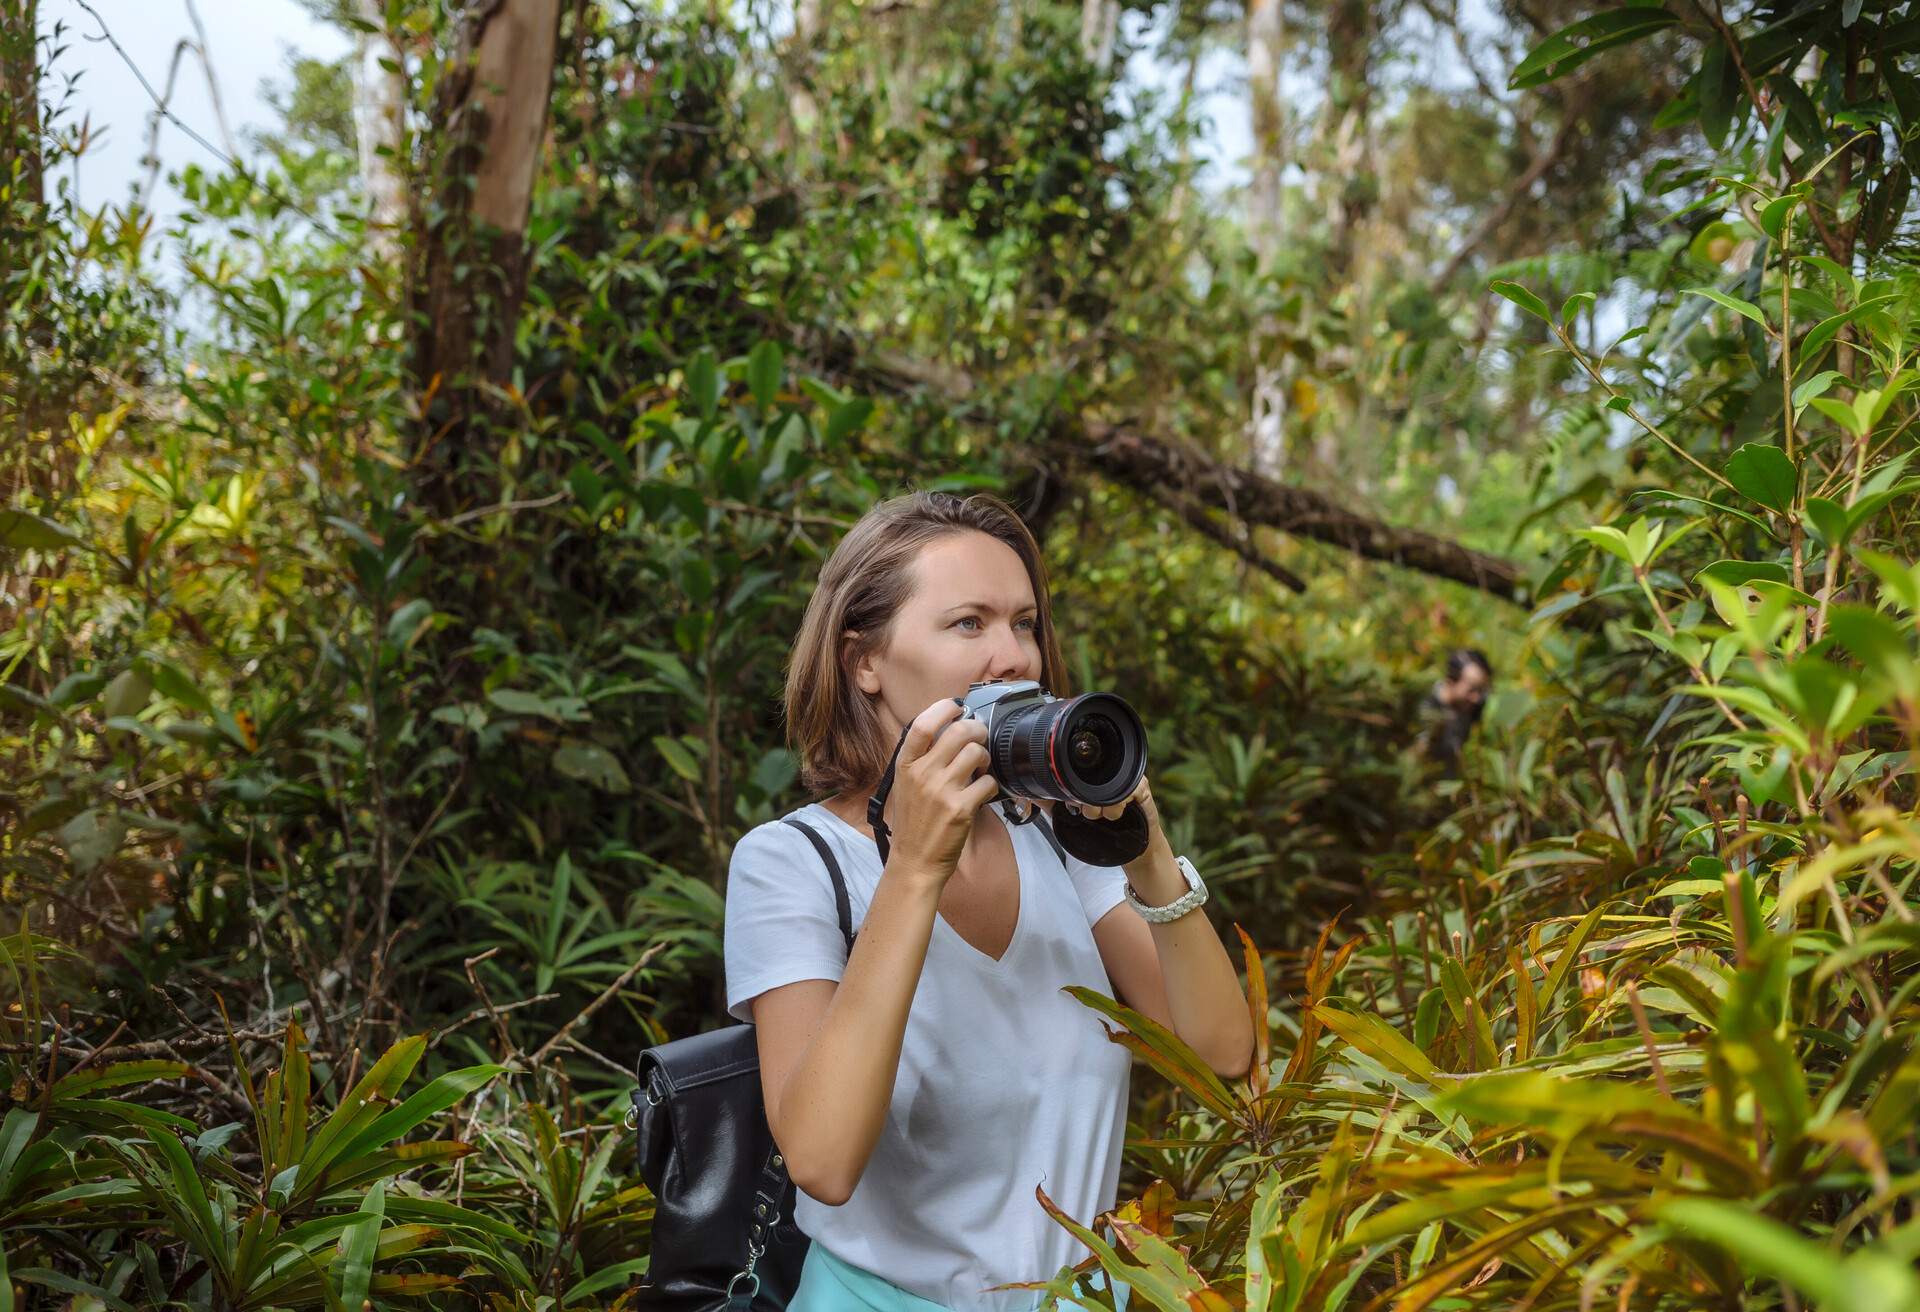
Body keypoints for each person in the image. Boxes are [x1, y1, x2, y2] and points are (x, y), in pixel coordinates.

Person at [723, 491, 1254, 1311]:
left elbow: (1219, 1058)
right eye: (968, 623)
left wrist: (1142, 849)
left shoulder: (1053, 839)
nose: (1012, 657)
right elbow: (822, 1163)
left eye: (1025, 623)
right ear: (863, 661)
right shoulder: (790, 863)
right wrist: (912, 871)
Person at [1418, 648, 1493, 770]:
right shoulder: (1424, 706)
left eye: (1481, 690)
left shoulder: (1473, 708)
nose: (1477, 698)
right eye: (1472, 689)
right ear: (1451, 681)